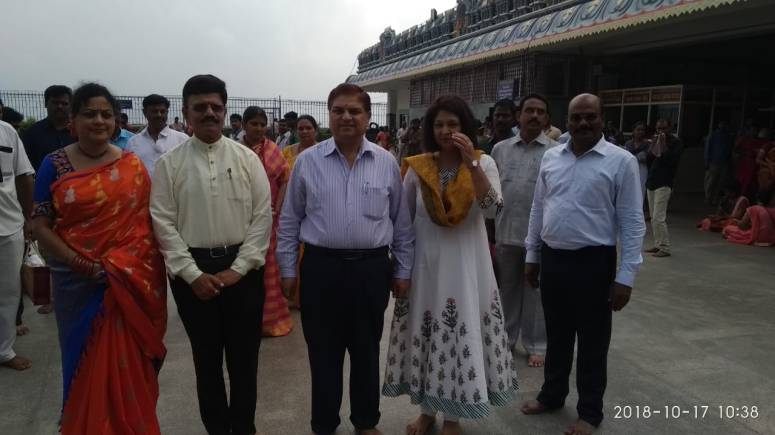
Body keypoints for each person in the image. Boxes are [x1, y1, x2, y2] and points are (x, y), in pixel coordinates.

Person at [30, 83, 167, 433]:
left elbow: (145, 225)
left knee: (130, 365)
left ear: (116, 120)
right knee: (80, 360)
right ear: (73, 120)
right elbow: (40, 225)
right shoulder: (54, 165)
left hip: (128, 283)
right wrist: (82, 265)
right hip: (76, 284)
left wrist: (120, 266)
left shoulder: (132, 165)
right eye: (89, 114)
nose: (99, 121)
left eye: (106, 114)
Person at [277, 83, 414, 435]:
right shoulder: (308, 162)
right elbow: (290, 220)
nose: (346, 117)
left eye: (354, 111)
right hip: (321, 269)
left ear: (367, 117)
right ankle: (324, 423)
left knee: (366, 350)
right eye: (338, 110)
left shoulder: (385, 162)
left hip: (371, 270)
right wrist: (288, 269)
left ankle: (366, 422)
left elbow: (401, 223)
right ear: (330, 115)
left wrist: (402, 270)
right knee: (323, 352)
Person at [383, 95, 516, 435]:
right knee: (427, 335)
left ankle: (453, 417)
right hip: (426, 267)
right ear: (430, 129)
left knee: (459, 331)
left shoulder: (484, 163)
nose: (445, 131)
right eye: (439, 125)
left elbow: (492, 209)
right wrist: (400, 267)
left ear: (465, 127)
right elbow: (403, 222)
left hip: (467, 266)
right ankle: (427, 412)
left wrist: (471, 164)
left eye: (452, 124)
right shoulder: (418, 168)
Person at [150, 75, 272, 435]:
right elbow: (162, 222)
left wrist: (240, 268)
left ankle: (244, 428)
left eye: (215, 107)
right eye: (200, 107)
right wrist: (192, 274)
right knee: (206, 361)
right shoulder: (169, 164)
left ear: (224, 110)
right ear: (186, 111)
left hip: (243, 273)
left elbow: (262, 218)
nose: (209, 113)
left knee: (245, 362)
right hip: (193, 275)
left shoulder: (247, 159)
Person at [520, 94, 645, 435]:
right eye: (576, 117)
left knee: (592, 342)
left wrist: (626, 276)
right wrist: (533, 255)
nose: (583, 123)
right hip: (554, 258)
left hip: (594, 262)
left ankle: (590, 412)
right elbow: (539, 208)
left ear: (602, 119)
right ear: (567, 121)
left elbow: (633, 221)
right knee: (557, 335)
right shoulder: (552, 158)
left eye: (590, 117)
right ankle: (552, 395)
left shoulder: (621, 162)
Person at [491, 94, 558, 369]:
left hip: (539, 238)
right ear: (519, 116)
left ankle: (536, 345)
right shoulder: (500, 150)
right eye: (529, 110)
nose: (534, 116)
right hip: (505, 231)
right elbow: (491, 192)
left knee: (535, 294)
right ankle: (504, 340)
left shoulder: (557, 152)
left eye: (540, 111)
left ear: (547, 118)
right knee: (506, 290)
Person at [239, 106, 293, 337]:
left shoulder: (273, 150)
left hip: (269, 220)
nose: (259, 128)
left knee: (269, 268)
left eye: (263, 124)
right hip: (240, 221)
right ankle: (244, 320)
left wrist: (277, 209)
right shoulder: (234, 150)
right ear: (244, 125)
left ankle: (271, 320)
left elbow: (284, 180)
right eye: (254, 124)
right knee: (244, 267)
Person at [0, 116, 34, 371]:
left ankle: (4, 350)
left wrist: (29, 217)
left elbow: (23, 176)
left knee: (9, 292)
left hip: (8, 224)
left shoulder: (6, 131)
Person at [280, 114, 319, 308]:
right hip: (288, 205)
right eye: (300, 128)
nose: (304, 131)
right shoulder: (287, 152)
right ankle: (290, 294)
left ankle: (304, 296)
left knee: (306, 252)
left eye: (308, 128)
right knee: (289, 247)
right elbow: (280, 178)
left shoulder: (321, 153)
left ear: (315, 131)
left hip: (311, 207)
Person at [644, 119, 683, 258]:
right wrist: (653, 145)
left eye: (664, 128)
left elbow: (671, 160)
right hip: (652, 181)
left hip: (664, 183)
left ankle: (665, 247)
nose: (661, 131)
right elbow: (649, 159)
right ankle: (658, 244)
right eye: (658, 129)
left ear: (670, 128)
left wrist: (662, 144)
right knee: (653, 217)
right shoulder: (656, 140)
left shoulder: (675, 143)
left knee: (658, 217)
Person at [126, 94, 190, 177]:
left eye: (162, 111)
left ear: (167, 112)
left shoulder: (182, 140)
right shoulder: (132, 143)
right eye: (154, 111)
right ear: (144, 112)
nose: (159, 115)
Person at [21, 85, 76, 171]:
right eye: (55, 103)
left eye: (64, 103)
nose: (60, 106)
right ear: (46, 104)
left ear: (71, 106)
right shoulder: (32, 133)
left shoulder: (79, 132)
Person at [704, 121, 733, 205]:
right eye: (722, 124)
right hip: (714, 162)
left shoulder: (727, 136)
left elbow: (729, 150)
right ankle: (708, 198)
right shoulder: (713, 135)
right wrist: (707, 161)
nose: (723, 126)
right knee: (711, 181)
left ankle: (714, 199)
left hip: (723, 162)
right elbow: (708, 149)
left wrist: (729, 161)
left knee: (720, 182)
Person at [623, 122, 651, 205]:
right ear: (633, 131)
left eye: (642, 130)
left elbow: (645, 157)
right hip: (629, 168)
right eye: (638, 130)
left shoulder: (647, 143)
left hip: (642, 168)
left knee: (640, 190)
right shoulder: (628, 143)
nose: (640, 132)